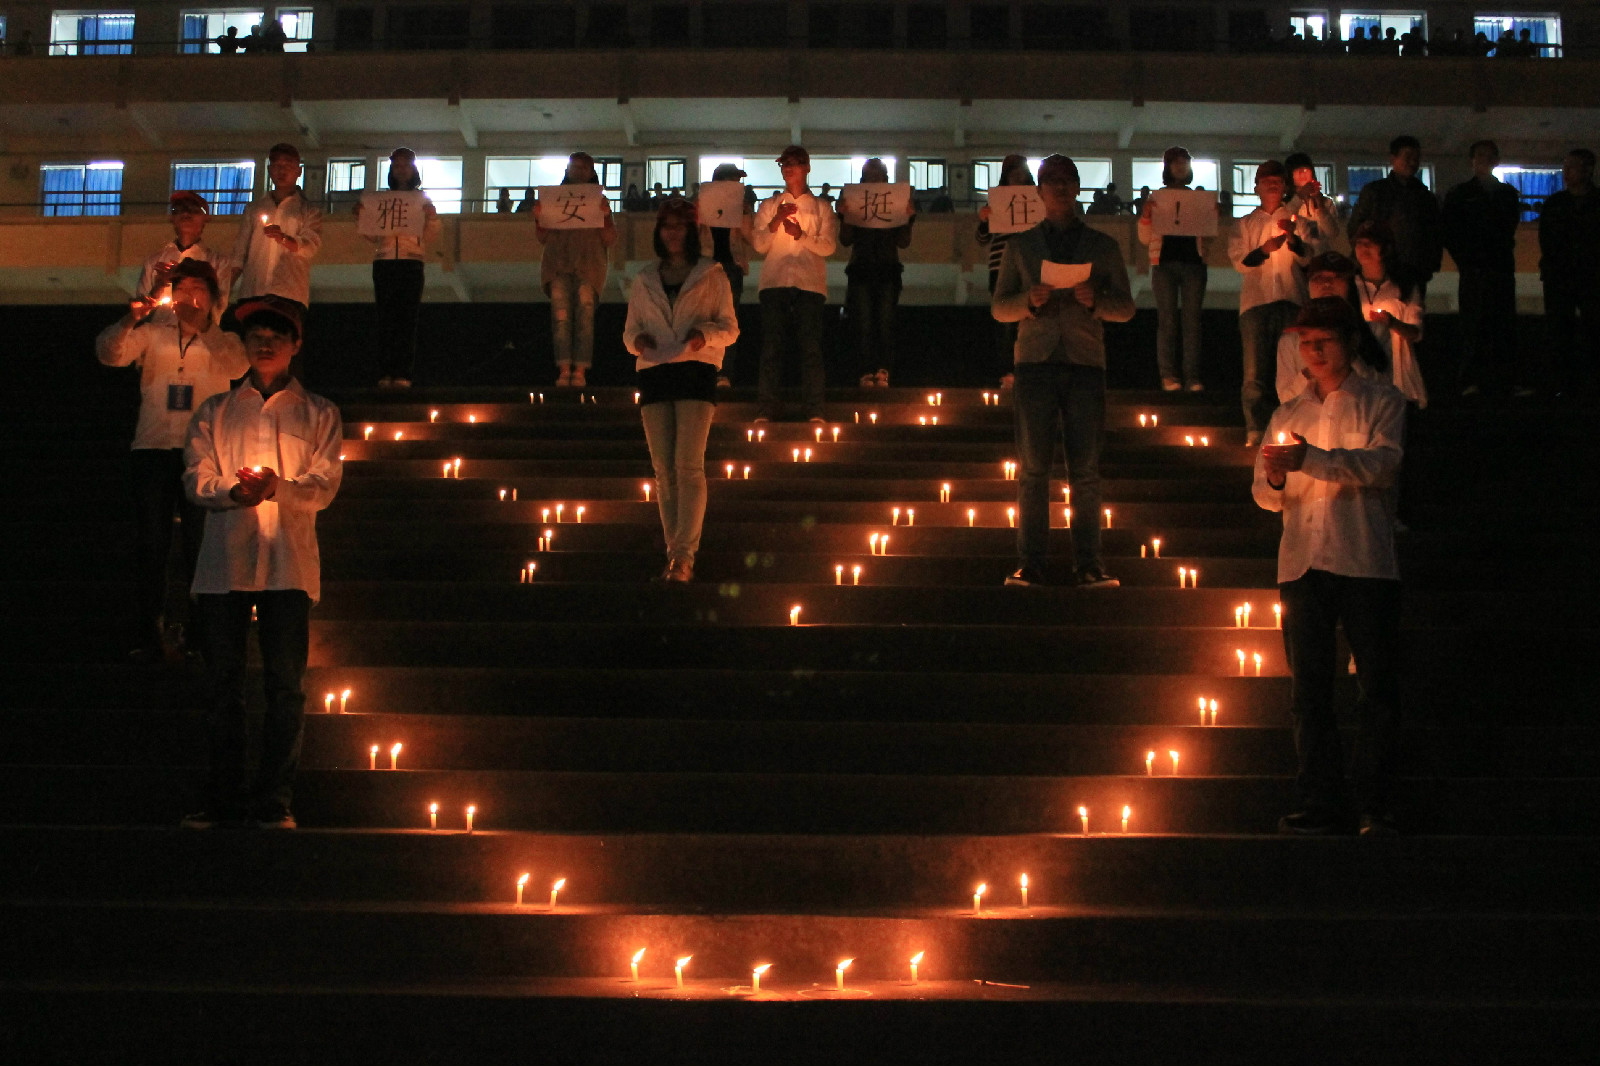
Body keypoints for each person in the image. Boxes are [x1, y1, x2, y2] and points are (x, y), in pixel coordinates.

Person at [182, 296, 342, 830]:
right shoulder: (216, 410)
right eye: (256, 336)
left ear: (296, 345)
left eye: (277, 335)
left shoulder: (319, 413)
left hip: (288, 565)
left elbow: (324, 484)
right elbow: (195, 478)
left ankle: (275, 798)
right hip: (224, 564)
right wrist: (233, 491)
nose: (265, 344)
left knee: (285, 685)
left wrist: (280, 488)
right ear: (245, 346)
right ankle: (220, 797)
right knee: (222, 687)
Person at [1255, 297, 1406, 837]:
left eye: (1324, 341)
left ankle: (1377, 803)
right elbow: (1264, 495)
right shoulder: (1288, 413)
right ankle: (1320, 799)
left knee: (1377, 688)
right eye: (1305, 342)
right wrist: (1275, 477)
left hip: (1363, 558)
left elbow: (1383, 466)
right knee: (1309, 691)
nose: (1313, 352)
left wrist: (1310, 461)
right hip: (1302, 563)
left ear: (1348, 343)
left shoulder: (1381, 401)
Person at [992, 154, 1135, 589]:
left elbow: (1126, 308)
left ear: (1077, 187)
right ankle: (1031, 563)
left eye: (1066, 180)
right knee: (1033, 469)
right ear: (1038, 190)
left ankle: (1089, 564)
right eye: (1050, 180)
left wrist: (1096, 301)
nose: (1058, 187)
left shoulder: (1103, 246)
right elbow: (999, 307)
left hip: (1085, 361)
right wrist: (1027, 302)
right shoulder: (1020, 246)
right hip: (1034, 361)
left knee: (1085, 470)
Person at [96, 260, 249, 663]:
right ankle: (150, 630)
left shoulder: (222, 339)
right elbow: (109, 354)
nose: (189, 297)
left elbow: (238, 367)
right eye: (182, 289)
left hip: (202, 455)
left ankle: (201, 632)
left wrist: (206, 327)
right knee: (152, 543)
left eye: (199, 289)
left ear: (214, 298)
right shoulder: (152, 333)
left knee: (202, 545)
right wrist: (130, 321)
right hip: (152, 447)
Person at [624, 199, 740, 583]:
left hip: (695, 369)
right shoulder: (644, 278)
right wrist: (639, 341)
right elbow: (629, 330)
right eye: (666, 226)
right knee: (663, 470)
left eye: (679, 226)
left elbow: (730, 328)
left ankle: (683, 555)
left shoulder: (711, 274)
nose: (672, 233)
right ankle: (676, 552)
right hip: (656, 370)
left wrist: (698, 337)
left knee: (687, 465)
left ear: (692, 231)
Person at [751, 145, 837, 422]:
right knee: (771, 348)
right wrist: (776, 220)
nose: (788, 168)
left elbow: (828, 247)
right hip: (775, 282)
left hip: (809, 284)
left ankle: (815, 409)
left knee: (810, 348)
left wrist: (801, 235)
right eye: (784, 164)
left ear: (807, 167)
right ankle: (766, 409)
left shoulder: (823, 207)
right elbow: (759, 244)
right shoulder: (768, 205)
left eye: (795, 163)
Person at [1230, 159, 1311, 447]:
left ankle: (1296, 426)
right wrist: (1264, 250)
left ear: (1285, 186)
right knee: (1255, 372)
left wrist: (1293, 240)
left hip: (1291, 299)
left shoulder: (1297, 221)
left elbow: (1307, 257)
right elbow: (1240, 262)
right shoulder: (1246, 224)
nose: (1273, 186)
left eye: (1277, 181)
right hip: (1256, 304)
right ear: (1257, 188)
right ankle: (1255, 428)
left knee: (1294, 368)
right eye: (1267, 182)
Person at [1443, 140, 1523, 397]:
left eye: (1489, 156)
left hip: (1499, 269)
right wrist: (1466, 261)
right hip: (1474, 269)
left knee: (1503, 324)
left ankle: (1504, 381)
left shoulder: (1507, 194)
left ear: (1496, 161)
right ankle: (1469, 380)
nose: (1484, 160)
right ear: (1472, 160)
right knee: (1472, 325)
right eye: (1480, 155)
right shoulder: (1460, 194)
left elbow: (1508, 229)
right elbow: (1451, 233)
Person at [357, 147, 440, 389]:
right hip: (384, 260)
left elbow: (430, 235)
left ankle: (402, 372)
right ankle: (386, 371)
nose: (401, 169)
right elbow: (373, 236)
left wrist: (431, 217)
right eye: (397, 165)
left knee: (406, 318)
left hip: (411, 260)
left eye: (405, 165)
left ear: (413, 169)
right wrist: (362, 218)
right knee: (386, 318)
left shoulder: (422, 199)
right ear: (391, 169)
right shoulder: (380, 200)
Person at [535, 152, 616, 387]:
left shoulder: (601, 202)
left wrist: (606, 216)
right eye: (573, 167)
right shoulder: (553, 200)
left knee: (584, 316)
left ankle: (579, 370)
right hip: (558, 264)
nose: (577, 171)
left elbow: (610, 238)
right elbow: (542, 237)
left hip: (588, 266)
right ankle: (564, 368)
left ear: (591, 172)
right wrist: (540, 218)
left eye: (583, 168)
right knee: (561, 317)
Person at [1138, 146, 1209, 392]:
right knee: (1168, 321)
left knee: (1192, 322)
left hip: (1193, 262)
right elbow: (1145, 238)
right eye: (1176, 162)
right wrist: (1146, 216)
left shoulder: (1198, 198)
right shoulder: (1157, 197)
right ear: (1167, 167)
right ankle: (1169, 375)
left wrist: (1212, 217)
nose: (1180, 166)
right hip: (1164, 263)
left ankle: (1192, 377)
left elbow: (1209, 236)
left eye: (1184, 162)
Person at [840, 157, 915, 387]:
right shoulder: (855, 200)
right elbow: (845, 239)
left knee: (883, 323)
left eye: (877, 176)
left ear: (885, 179)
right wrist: (845, 215)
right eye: (868, 177)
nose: (873, 181)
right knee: (865, 323)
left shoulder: (894, 202)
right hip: (864, 268)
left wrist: (908, 218)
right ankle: (867, 370)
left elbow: (903, 242)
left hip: (886, 269)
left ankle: (882, 369)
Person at [1277, 251, 1389, 402]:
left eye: (1336, 277)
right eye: (1318, 278)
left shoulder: (1377, 330)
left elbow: (1385, 387)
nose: (1327, 284)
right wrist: (1311, 371)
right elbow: (1286, 398)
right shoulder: (1290, 341)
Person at [230, 142, 322, 312]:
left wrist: (283, 238)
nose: (282, 170)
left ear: (298, 171)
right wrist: (226, 288)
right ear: (269, 170)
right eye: (277, 165)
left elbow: (309, 247)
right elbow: (240, 253)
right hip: (253, 291)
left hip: (289, 293)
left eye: (288, 165)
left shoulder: (308, 210)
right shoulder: (254, 208)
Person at [1348, 135, 1442, 299]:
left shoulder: (1425, 197)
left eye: (1416, 158)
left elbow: (1435, 234)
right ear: (1393, 158)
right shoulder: (1375, 192)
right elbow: (1355, 228)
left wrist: (1430, 265)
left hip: (1415, 270)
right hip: (1379, 269)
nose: (1413, 162)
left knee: (1411, 314)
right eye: (1408, 157)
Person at [1538, 148, 1599, 400]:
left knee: (1592, 329)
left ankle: (1587, 383)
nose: (1566, 172)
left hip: (1589, 275)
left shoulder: (1566, 203)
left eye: (1572, 167)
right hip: (1561, 274)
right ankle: (1563, 382)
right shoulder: (1556, 203)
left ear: (1588, 170)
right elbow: (1547, 240)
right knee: (1559, 330)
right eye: (1565, 166)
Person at [975, 154, 1034, 390]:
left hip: (1030, 265)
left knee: (1030, 319)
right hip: (1001, 264)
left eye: (1021, 173)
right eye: (1013, 174)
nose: (1018, 177)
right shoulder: (996, 203)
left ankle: (1025, 370)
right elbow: (981, 239)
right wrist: (984, 220)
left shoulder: (1037, 201)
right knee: (1004, 320)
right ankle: (1008, 373)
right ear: (1006, 177)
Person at [1351, 222, 1427, 406]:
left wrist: (1393, 323)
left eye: (1370, 243)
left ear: (1386, 249)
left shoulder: (1403, 287)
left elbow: (1416, 333)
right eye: (1360, 243)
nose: (1363, 248)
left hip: (1397, 375)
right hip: (1359, 374)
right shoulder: (1349, 285)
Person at [697, 162, 754, 388]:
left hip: (732, 265)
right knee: (704, 317)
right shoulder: (703, 203)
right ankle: (706, 368)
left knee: (729, 321)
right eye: (732, 180)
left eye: (737, 182)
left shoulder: (741, 207)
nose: (735, 185)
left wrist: (745, 215)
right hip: (706, 265)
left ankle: (724, 373)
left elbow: (752, 239)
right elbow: (692, 235)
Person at [138, 191, 232, 306]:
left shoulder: (219, 262)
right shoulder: (154, 262)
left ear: (206, 218)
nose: (186, 214)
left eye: (194, 210)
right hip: (158, 324)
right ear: (172, 218)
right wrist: (160, 285)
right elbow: (139, 309)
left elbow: (219, 306)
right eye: (178, 210)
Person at [1284, 151, 1342, 255]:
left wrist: (1320, 205)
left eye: (1306, 170)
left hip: (1321, 259)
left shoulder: (1325, 202)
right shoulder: (1287, 203)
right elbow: (1283, 220)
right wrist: (1300, 196)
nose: (1303, 174)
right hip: (1296, 259)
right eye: (1298, 171)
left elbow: (1333, 233)